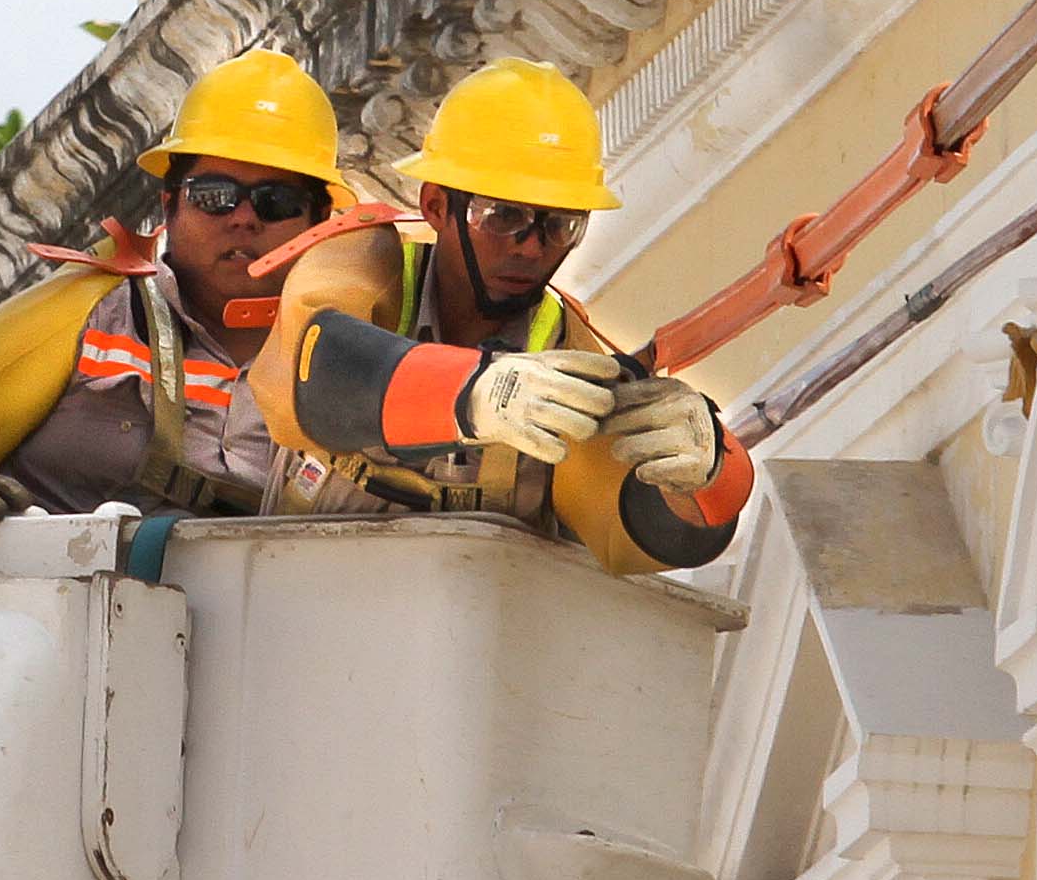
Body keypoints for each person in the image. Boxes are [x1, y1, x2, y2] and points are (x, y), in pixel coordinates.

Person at [249, 57, 754, 577]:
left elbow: (632, 534)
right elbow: (313, 372)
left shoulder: (571, 353)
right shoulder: (363, 264)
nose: (531, 247)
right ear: (437, 206)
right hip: (295, 609)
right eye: (502, 216)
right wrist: (474, 394)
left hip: (462, 642)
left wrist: (706, 475)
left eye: (560, 225)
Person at [0, 49, 343, 549]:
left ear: (318, 222)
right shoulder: (94, 308)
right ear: (169, 205)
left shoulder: (344, 347)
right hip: (45, 609)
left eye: (278, 201)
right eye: (214, 195)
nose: (243, 218)